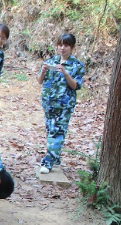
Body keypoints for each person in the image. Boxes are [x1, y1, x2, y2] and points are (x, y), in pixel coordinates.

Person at [37, 33, 85, 174]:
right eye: (60, 45)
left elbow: (75, 85)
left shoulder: (77, 65)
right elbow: (39, 81)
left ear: (72, 47)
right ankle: (55, 158)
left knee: (57, 131)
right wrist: (44, 70)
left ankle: (48, 162)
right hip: (49, 103)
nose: (62, 48)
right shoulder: (51, 60)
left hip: (64, 105)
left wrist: (65, 73)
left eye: (66, 45)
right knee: (51, 130)